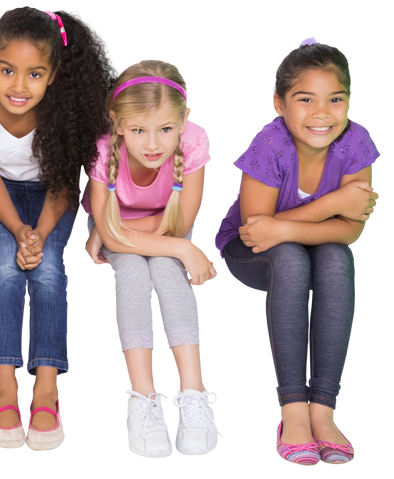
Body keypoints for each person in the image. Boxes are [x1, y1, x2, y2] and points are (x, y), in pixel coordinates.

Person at [0, 5, 117, 453]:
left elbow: (66, 180)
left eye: (34, 74)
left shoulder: (69, 109)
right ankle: (3, 383)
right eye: (7, 70)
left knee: (47, 269)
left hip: (52, 192)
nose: (19, 87)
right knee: (5, 264)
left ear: (54, 74)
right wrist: (19, 230)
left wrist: (38, 233)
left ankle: (46, 384)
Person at [213, 33, 380, 468]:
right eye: (305, 99)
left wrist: (294, 223)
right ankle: (292, 412)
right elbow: (255, 233)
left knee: (337, 258)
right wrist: (333, 208)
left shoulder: (357, 141)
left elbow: (351, 233)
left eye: (336, 100)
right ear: (278, 104)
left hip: (310, 245)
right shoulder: (269, 143)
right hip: (246, 250)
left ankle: (324, 410)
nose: (322, 113)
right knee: (289, 258)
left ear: (350, 102)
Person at [83, 58, 224, 461]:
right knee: (130, 275)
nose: (152, 144)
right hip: (120, 226)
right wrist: (182, 248)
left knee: (168, 271)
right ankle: (143, 399)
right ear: (118, 122)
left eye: (165, 129)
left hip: (165, 224)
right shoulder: (102, 148)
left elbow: (180, 222)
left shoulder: (195, 140)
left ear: (185, 119)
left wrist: (173, 244)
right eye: (139, 130)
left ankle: (193, 394)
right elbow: (111, 233)